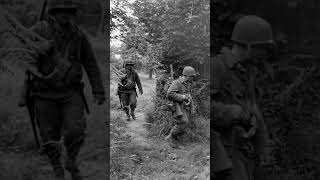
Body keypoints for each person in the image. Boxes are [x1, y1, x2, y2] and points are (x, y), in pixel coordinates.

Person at [22, 0, 106, 179]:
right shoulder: (39, 31)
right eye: (61, 11)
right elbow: (25, 56)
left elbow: (90, 63)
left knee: (76, 129)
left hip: (71, 92)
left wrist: (98, 90)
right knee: (49, 135)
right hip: (43, 92)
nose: (65, 14)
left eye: (68, 11)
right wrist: (36, 54)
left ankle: (71, 161)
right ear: (53, 13)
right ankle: (56, 168)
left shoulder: (78, 35)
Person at [211, 15, 273, 180]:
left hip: (244, 152)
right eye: (263, 48)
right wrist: (235, 113)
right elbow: (200, 109)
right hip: (222, 155)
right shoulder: (216, 67)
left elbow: (254, 109)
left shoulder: (248, 72)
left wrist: (263, 147)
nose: (265, 53)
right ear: (249, 46)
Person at [165, 66, 196, 148]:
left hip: (185, 106)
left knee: (186, 123)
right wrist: (182, 97)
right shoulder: (177, 82)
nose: (193, 78)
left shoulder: (187, 83)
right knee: (183, 122)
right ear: (187, 75)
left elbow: (188, 95)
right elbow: (169, 94)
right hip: (177, 106)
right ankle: (172, 138)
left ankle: (173, 138)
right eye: (192, 76)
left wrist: (192, 105)